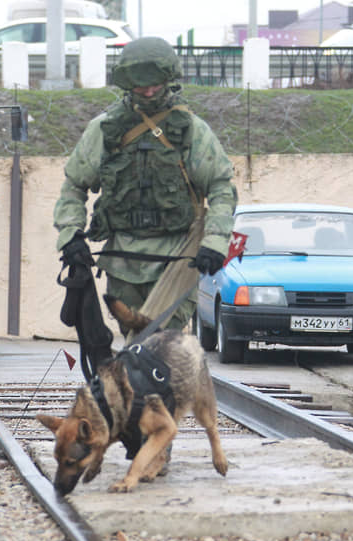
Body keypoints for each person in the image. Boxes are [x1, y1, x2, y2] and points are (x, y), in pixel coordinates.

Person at [54, 37, 237, 338]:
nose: (149, 91)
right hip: (122, 261)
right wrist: (71, 237)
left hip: (177, 260)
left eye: (156, 83)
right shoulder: (104, 130)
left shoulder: (191, 130)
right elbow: (74, 185)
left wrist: (215, 243)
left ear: (168, 79)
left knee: (164, 343)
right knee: (135, 345)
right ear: (128, 83)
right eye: (141, 85)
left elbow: (220, 187)